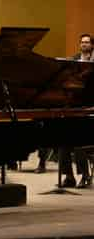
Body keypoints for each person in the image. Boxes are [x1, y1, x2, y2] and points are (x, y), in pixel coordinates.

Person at [58, 34, 92, 188]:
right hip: (77, 106)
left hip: (91, 108)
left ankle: (85, 175)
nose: (84, 45)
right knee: (63, 142)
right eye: (82, 42)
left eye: (87, 42)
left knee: (79, 143)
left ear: (92, 45)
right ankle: (69, 176)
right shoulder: (74, 61)